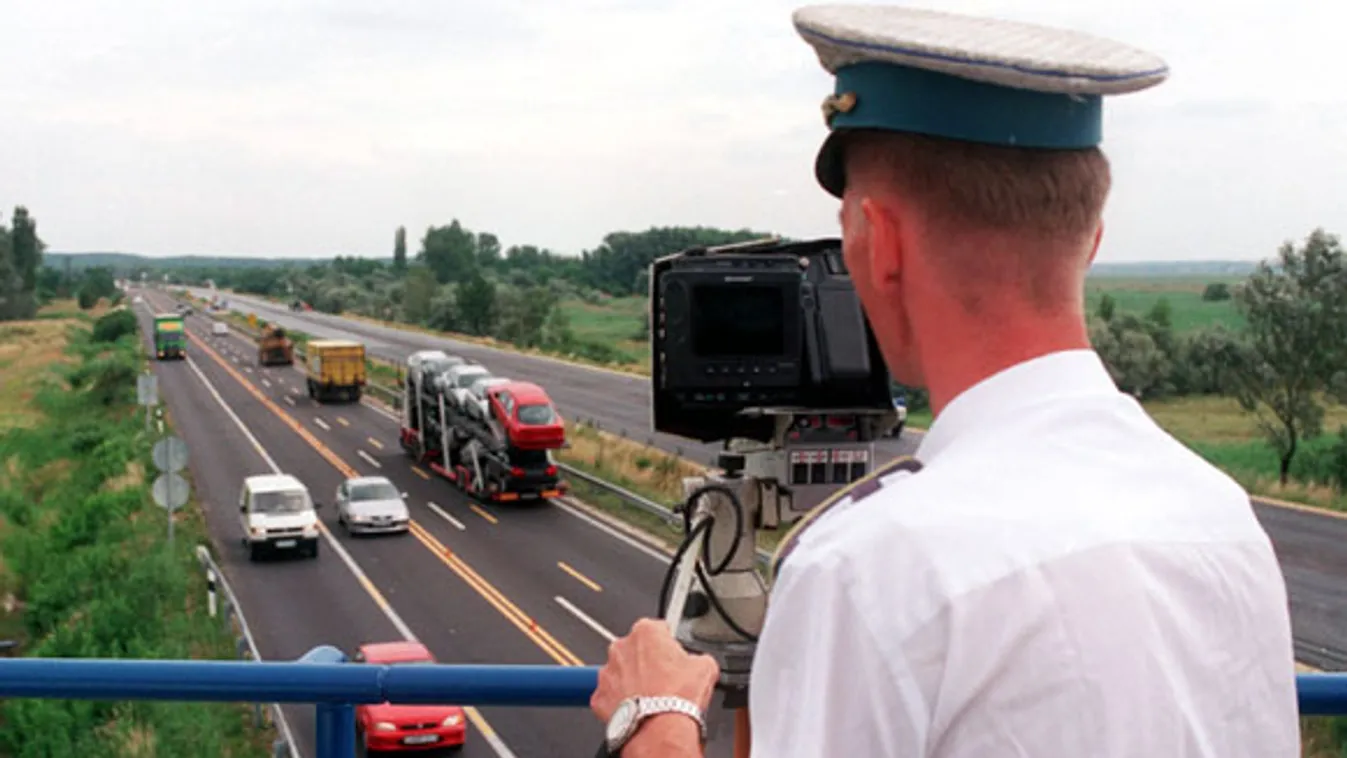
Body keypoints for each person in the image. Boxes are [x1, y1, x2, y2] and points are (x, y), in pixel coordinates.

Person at [590, 4, 1302, 757]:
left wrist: (656, 721)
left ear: (881, 242)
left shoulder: (870, 570)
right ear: (1090, 241)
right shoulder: (1222, 519)